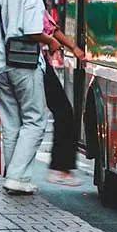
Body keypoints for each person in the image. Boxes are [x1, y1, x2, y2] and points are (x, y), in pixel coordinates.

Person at [0, 0, 60, 195]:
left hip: (0, 67)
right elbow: (32, 30)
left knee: (12, 124)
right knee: (36, 121)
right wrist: (51, 41)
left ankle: (17, 177)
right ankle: (16, 176)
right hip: (25, 66)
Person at [42, 11, 86, 186]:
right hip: (34, 62)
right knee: (63, 112)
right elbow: (48, 29)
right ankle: (60, 168)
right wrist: (71, 47)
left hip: (8, 65)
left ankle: (14, 174)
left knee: (17, 121)